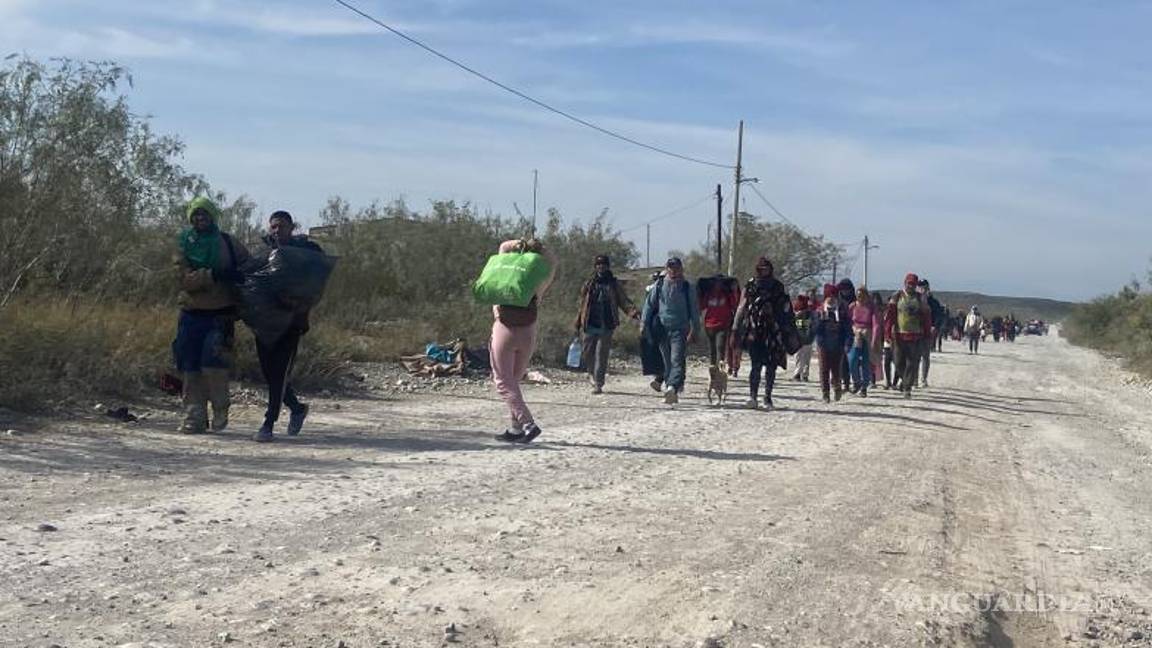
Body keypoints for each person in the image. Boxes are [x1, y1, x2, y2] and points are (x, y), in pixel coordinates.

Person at [172, 197, 250, 435]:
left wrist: (239, 276)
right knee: (190, 366)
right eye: (196, 214)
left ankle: (220, 408)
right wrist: (212, 275)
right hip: (191, 313)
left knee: (215, 364)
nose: (200, 218)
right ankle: (193, 416)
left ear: (212, 216)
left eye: (204, 214)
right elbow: (183, 280)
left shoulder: (228, 242)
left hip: (221, 314)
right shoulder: (184, 244)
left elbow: (249, 267)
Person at [251, 210, 323, 443]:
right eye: (273, 226)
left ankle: (268, 423)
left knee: (280, 372)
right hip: (265, 323)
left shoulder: (304, 252)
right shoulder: (264, 252)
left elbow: (316, 280)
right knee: (269, 372)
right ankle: (297, 408)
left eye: (281, 226)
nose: (276, 230)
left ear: (291, 228)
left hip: (291, 323)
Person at [491, 238, 558, 443]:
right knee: (514, 380)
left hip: (504, 329)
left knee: (503, 381)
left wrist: (520, 242)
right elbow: (553, 261)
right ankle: (516, 429)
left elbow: (503, 247)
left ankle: (528, 423)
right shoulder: (539, 280)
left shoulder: (505, 272)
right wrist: (540, 247)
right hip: (528, 331)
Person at [732, 257, 796, 410]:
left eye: (766, 268)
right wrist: (735, 328)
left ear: (770, 269)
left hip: (773, 331)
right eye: (761, 269)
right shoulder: (750, 285)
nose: (764, 271)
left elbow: (785, 310)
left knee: (771, 366)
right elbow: (742, 307)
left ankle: (767, 397)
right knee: (756, 364)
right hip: (755, 330)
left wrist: (788, 331)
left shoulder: (777, 287)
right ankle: (752, 396)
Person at [574, 255, 639, 394]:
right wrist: (578, 321)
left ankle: (598, 383)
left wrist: (633, 312)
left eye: (603, 264)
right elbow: (582, 304)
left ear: (608, 266)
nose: (601, 267)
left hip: (606, 323)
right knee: (587, 352)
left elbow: (623, 300)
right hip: (590, 323)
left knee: (601, 354)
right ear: (595, 267)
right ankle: (591, 374)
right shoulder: (589, 283)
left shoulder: (613, 284)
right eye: (598, 264)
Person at [641, 257, 700, 405]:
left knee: (676, 360)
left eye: (676, 268)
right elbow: (649, 305)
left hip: (679, 330)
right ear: (667, 269)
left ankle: (672, 387)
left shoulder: (687, 287)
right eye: (671, 268)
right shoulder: (660, 285)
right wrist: (644, 323)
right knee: (667, 362)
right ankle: (670, 389)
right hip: (662, 329)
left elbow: (694, 310)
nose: (673, 271)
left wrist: (695, 329)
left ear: (681, 269)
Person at [885, 273, 932, 400]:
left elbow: (926, 317)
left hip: (916, 335)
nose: (910, 286)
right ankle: (905, 380)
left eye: (913, 284)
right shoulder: (897, 296)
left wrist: (927, 333)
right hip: (899, 335)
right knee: (898, 362)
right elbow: (890, 316)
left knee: (912, 363)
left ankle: (907, 388)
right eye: (908, 283)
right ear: (904, 283)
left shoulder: (920, 299)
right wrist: (887, 332)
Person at [814, 283, 850, 403]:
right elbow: (815, 329)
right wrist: (820, 320)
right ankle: (825, 393)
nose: (831, 299)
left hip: (838, 344)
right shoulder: (820, 310)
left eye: (834, 296)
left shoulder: (842, 310)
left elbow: (847, 328)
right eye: (829, 296)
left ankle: (837, 387)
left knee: (836, 369)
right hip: (823, 344)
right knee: (824, 369)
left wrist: (847, 342)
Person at [699, 275, 741, 370]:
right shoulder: (708, 295)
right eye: (716, 283)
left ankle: (720, 368)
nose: (718, 285)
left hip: (723, 325)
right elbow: (702, 306)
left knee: (720, 347)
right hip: (709, 325)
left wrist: (734, 291)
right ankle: (713, 368)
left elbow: (734, 305)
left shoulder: (726, 294)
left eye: (720, 283)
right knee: (712, 349)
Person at [847, 286, 880, 397]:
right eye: (858, 295)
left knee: (866, 362)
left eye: (862, 295)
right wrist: (851, 332)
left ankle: (864, 386)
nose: (860, 297)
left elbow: (876, 324)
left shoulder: (871, 307)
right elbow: (848, 321)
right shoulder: (852, 306)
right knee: (852, 359)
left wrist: (874, 340)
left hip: (868, 334)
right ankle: (856, 381)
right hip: (855, 334)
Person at [919, 279, 946, 389]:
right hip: (914, 331)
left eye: (924, 287)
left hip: (927, 331)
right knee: (914, 356)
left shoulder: (933, 302)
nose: (922, 289)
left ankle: (923, 378)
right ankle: (913, 378)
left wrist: (935, 326)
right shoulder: (914, 300)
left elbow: (939, 316)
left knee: (925, 355)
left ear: (928, 288)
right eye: (920, 287)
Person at [837, 278, 857, 393]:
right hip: (840, 332)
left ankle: (854, 382)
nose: (845, 291)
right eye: (843, 289)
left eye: (847, 289)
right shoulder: (837, 301)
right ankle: (845, 382)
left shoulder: (856, 301)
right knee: (842, 359)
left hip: (854, 332)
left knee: (852, 360)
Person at [791, 294, 817, 382]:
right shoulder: (801, 314)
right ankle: (801, 374)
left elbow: (812, 326)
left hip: (804, 339)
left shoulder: (808, 314)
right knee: (803, 357)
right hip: (803, 339)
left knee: (802, 357)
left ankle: (801, 374)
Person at [882, 293, 899, 390]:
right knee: (888, 361)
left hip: (896, 338)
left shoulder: (896, 310)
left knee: (896, 362)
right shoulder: (888, 310)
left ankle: (893, 382)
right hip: (888, 338)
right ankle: (889, 381)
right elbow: (886, 325)